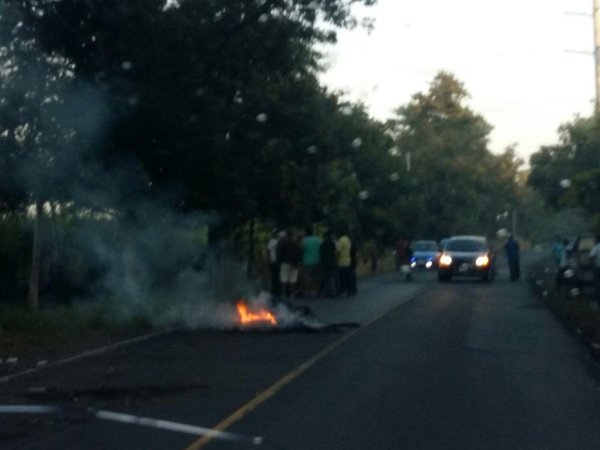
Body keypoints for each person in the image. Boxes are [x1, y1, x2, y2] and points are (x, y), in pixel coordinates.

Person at [278, 231, 302, 299]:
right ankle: (292, 294)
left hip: (285, 263)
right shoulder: (296, 244)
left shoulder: (283, 244)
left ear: (286, 236)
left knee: (284, 279)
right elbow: (299, 254)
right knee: (293, 280)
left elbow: (280, 253)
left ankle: (283, 294)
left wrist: (279, 261)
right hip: (294, 264)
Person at [301, 227, 322, 297]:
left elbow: (301, 249)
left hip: (307, 261)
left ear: (306, 233)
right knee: (316, 277)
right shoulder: (318, 240)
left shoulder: (304, 240)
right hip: (317, 260)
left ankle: (308, 291)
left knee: (307, 277)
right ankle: (316, 291)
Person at [319, 231, 337, 297]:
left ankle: (325, 292)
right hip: (331, 263)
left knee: (324, 278)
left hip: (324, 263)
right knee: (331, 278)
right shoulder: (332, 244)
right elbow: (335, 253)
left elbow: (320, 253)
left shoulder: (322, 244)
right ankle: (332, 292)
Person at [336, 228, 353, 296]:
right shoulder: (348, 240)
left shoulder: (341, 240)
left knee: (342, 278)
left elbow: (337, 251)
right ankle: (348, 290)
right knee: (347, 277)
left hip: (341, 262)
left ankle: (343, 291)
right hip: (348, 261)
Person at [266, 230, 281, 296]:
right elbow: (268, 251)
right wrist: (269, 260)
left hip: (275, 261)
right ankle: (275, 291)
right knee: (275, 276)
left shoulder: (275, 242)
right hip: (274, 261)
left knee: (275, 276)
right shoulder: (272, 241)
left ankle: (276, 290)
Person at [589, 235, 600, 301]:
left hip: (598, 268)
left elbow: (591, 256)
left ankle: (598, 298)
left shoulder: (595, 247)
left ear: (597, 240)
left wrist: (592, 264)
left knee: (597, 282)